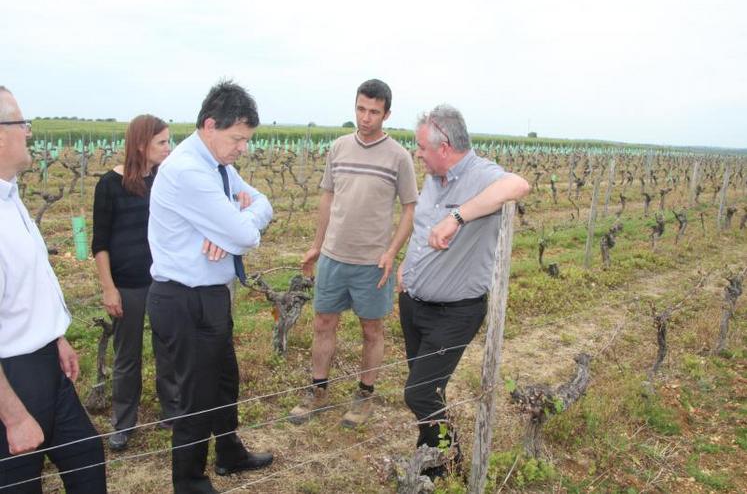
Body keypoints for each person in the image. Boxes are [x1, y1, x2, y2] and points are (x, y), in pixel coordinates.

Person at [147, 80, 274, 494]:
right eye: (238, 138)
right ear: (209, 125)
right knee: (194, 396)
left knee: (223, 381)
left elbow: (263, 204)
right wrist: (235, 230)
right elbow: (248, 236)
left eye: (247, 139)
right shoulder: (188, 170)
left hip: (211, 296)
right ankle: (188, 480)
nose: (243, 148)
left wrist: (235, 228)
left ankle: (229, 452)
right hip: (183, 299)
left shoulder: (219, 167)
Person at [397, 105, 530, 478]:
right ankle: (431, 461)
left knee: (419, 393)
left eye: (422, 147)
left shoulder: (480, 174)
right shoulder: (432, 178)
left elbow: (518, 186)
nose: (417, 153)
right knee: (428, 391)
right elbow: (424, 226)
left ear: (444, 146)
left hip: (455, 311)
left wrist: (458, 216)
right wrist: (407, 267)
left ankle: (451, 459)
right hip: (415, 303)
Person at [290, 79, 418, 428]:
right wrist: (317, 245)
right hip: (333, 256)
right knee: (322, 323)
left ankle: (364, 394)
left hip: (373, 262)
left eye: (374, 112)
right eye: (361, 109)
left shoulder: (398, 157)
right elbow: (328, 197)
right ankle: (318, 391)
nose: (365, 117)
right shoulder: (338, 148)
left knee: (371, 330)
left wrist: (392, 251)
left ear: (386, 113)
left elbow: (410, 209)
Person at [0, 86, 107, 492]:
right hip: (12, 377)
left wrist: (54, 336)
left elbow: (26, 285)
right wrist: (13, 417)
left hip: (45, 363)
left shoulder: (10, 196)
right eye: (21, 124)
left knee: (86, 458)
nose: (29, 132)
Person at [92, 114, 180, 451]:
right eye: (161, 142)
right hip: (127, 284)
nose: (167, 148)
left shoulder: (166, 180)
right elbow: (100, 243)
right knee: (127, 356)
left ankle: (172, 410)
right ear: (141, 144)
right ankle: (124, 421)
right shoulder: (108, 185)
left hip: (163, 280)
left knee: (168, 349)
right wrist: (108, 287)